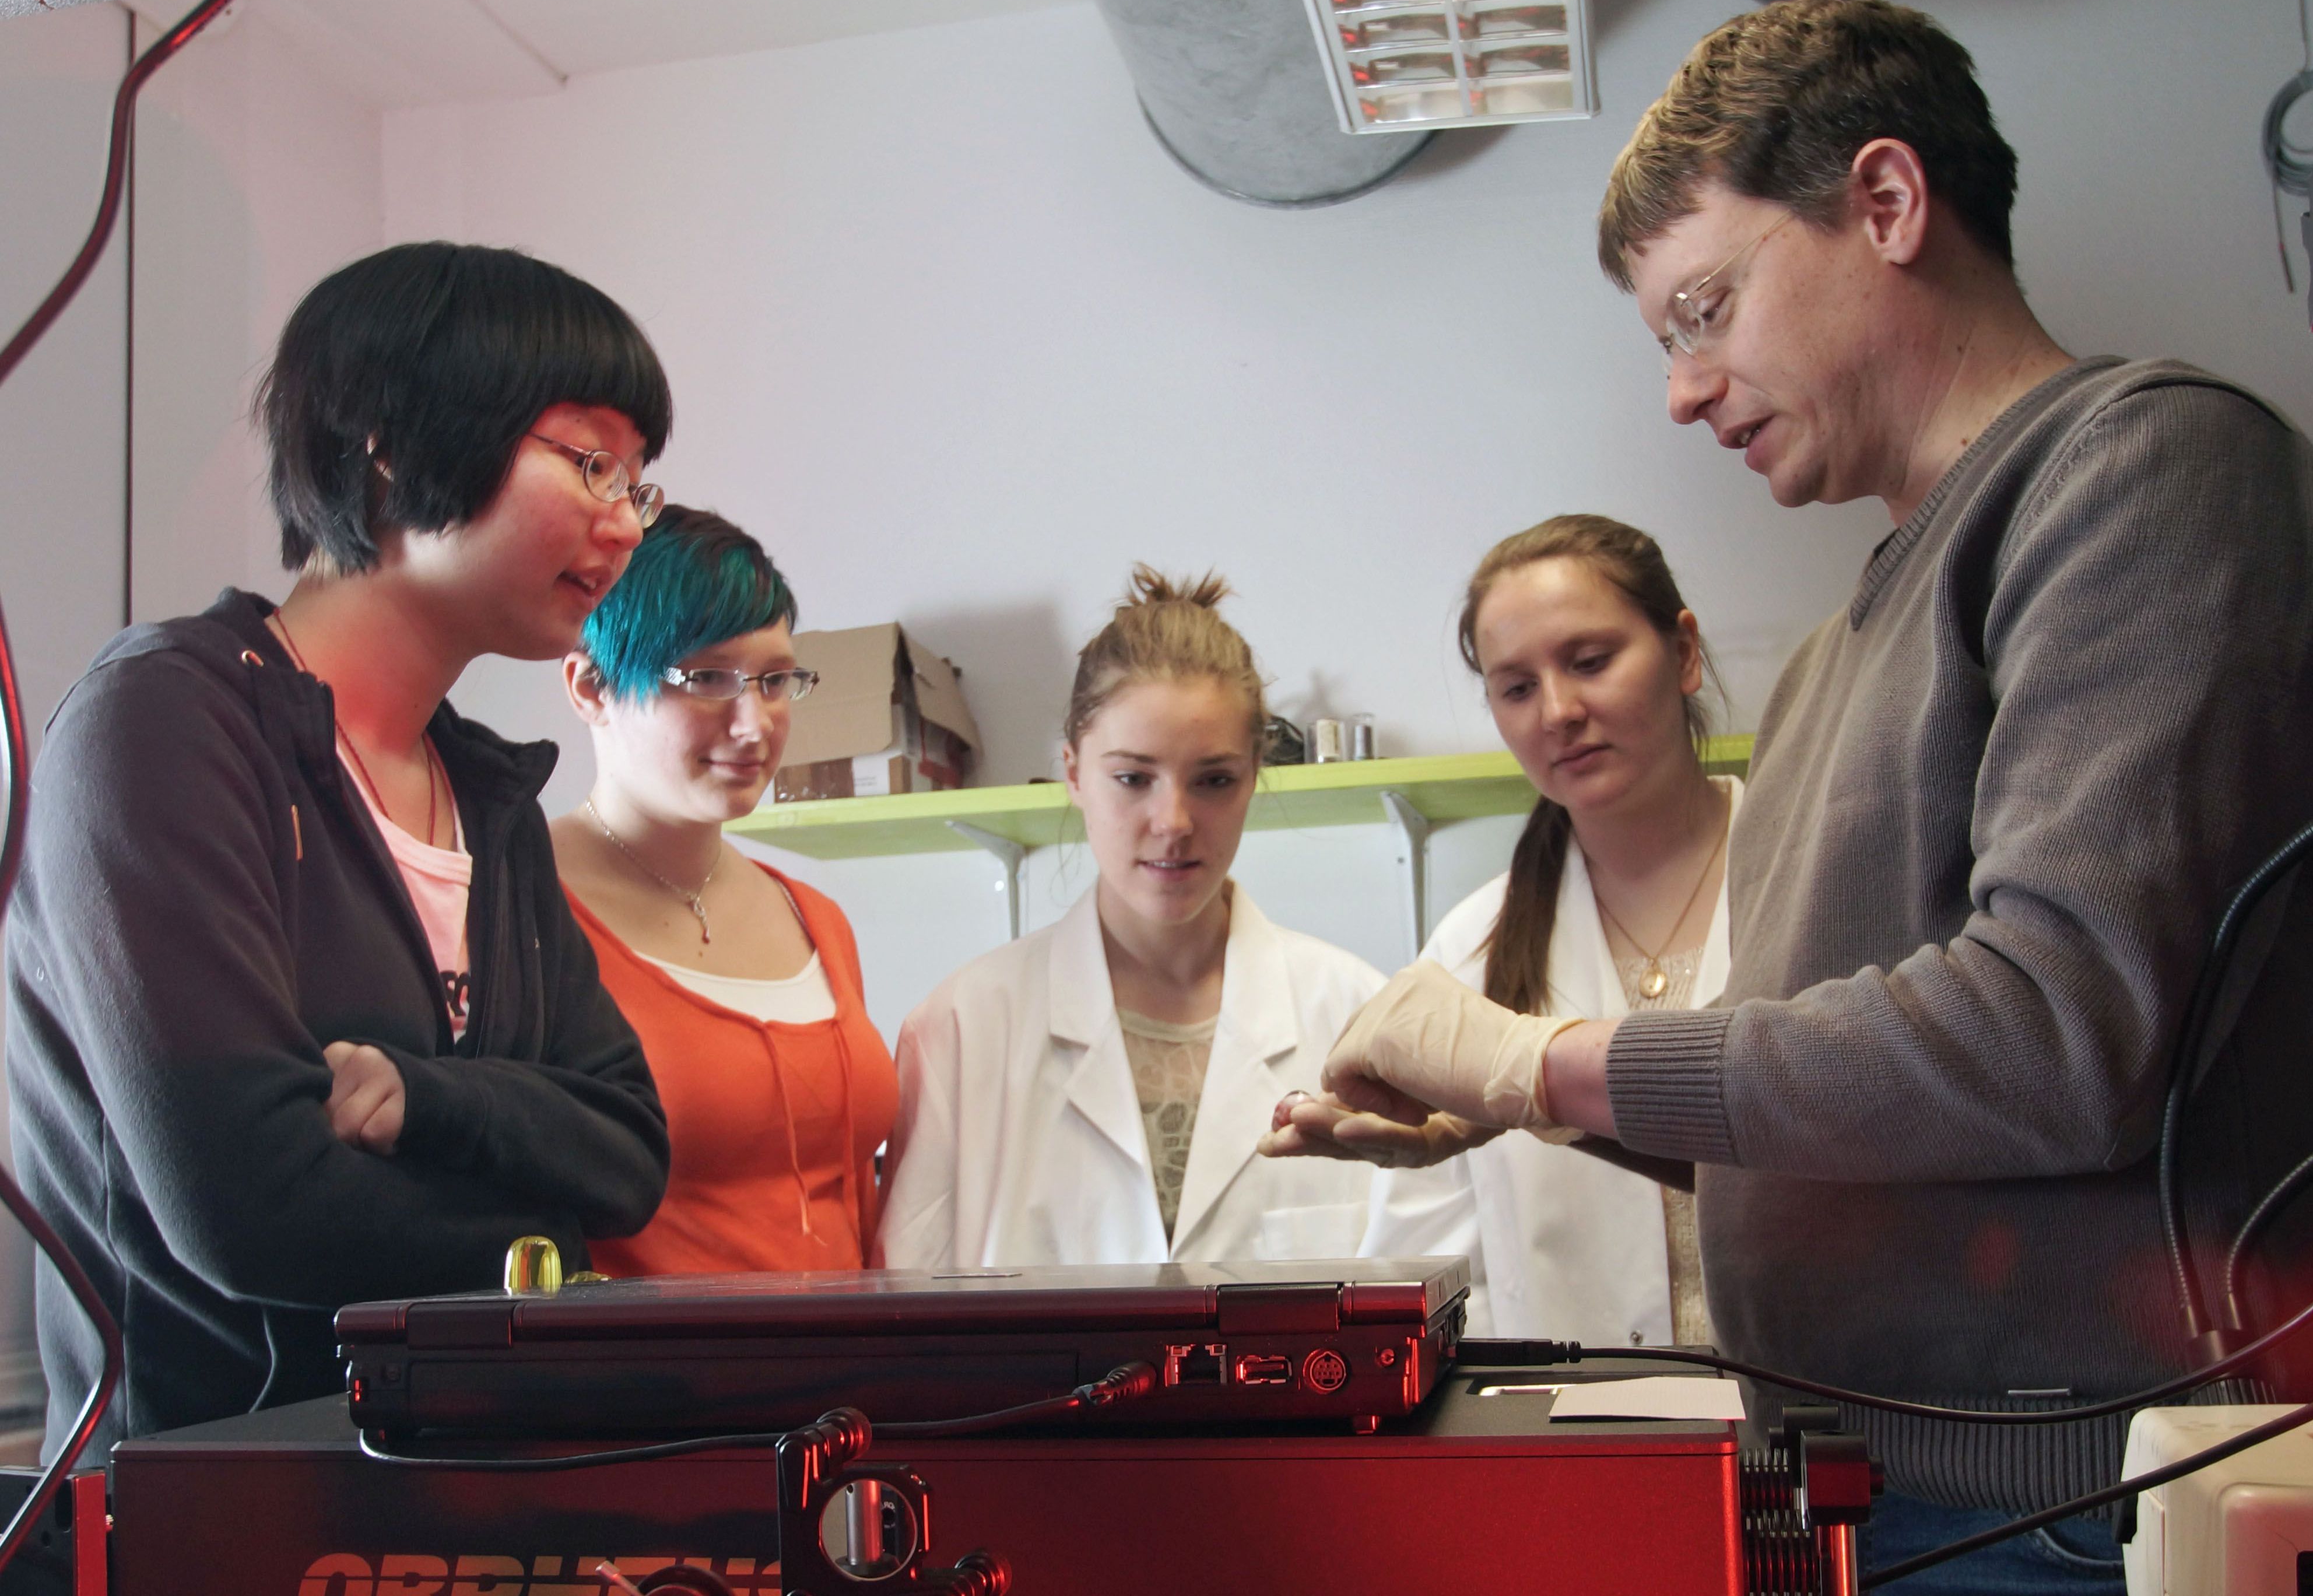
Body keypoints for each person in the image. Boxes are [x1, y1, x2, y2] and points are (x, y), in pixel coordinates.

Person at [1266, 0, 2313, 1588]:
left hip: (2100, 1509)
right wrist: (1534, 1106)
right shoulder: (1827, 667)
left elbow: (2054, 1039)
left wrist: (1548, 1059)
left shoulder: (2148, 477)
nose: (1684, 390)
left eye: (1705, 309)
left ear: (1884, 202)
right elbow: (1864, 1121)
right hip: (1888, 1494)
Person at [6, 242, 676, 1460]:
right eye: (591, 463)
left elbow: (630, 1149)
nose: (624, 520)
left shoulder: (490, 795)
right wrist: (548, 1253)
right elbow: (249, 1201)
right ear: (391, 443)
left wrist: (426, 1097)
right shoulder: (165, 721)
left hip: (452, 1493)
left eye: (640, 484)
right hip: (204, 1501)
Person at [882, 569, 1387, 1268]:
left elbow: (1428, 1292)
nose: (1173, 822)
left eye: (1214, 780)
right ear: (1073, 773)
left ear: (1254, 776)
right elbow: (908, 1305)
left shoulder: (1358, 1020)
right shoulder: (962, 1029)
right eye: (1132, 778)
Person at [1332, 516, 1741, 1349]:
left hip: (1826, 1407)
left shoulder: (1815, 882)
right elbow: (1424, 1273)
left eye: (1590, 661)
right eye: (1517, 688)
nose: (1558, 711)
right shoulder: (1469, 949)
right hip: (1573, 1415)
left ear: (1683, 654)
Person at [551, 507, 894, 1275]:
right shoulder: (519, 908)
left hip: (855, 1352)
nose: (754, 725)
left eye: (774, 681)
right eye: (708, 678)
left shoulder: (816, 919)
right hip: (646, 1353)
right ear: (591, 686)